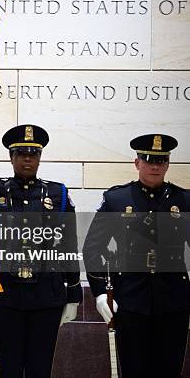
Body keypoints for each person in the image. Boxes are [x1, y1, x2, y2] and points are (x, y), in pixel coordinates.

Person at [83, 133, 189, 378]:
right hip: (130, 300)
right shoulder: (117, 199)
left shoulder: (183, 200)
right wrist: (99, 292)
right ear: (137, 162)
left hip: (174, 301)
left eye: (161, 161)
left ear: (168, 164)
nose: (155, 166)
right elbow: (92, 248)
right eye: (149, 160)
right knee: (134, 370)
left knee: (169, 370)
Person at [0, 124, 82, 378]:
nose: (27, 159)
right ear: (11, 157)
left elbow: (68, 244)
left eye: (33, 154)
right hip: (5, 294)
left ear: (40, 157)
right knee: (8, 368)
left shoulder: (58, 193)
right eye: (21, 153)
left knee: (39, 369)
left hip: (46, 294)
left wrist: (73, 292)